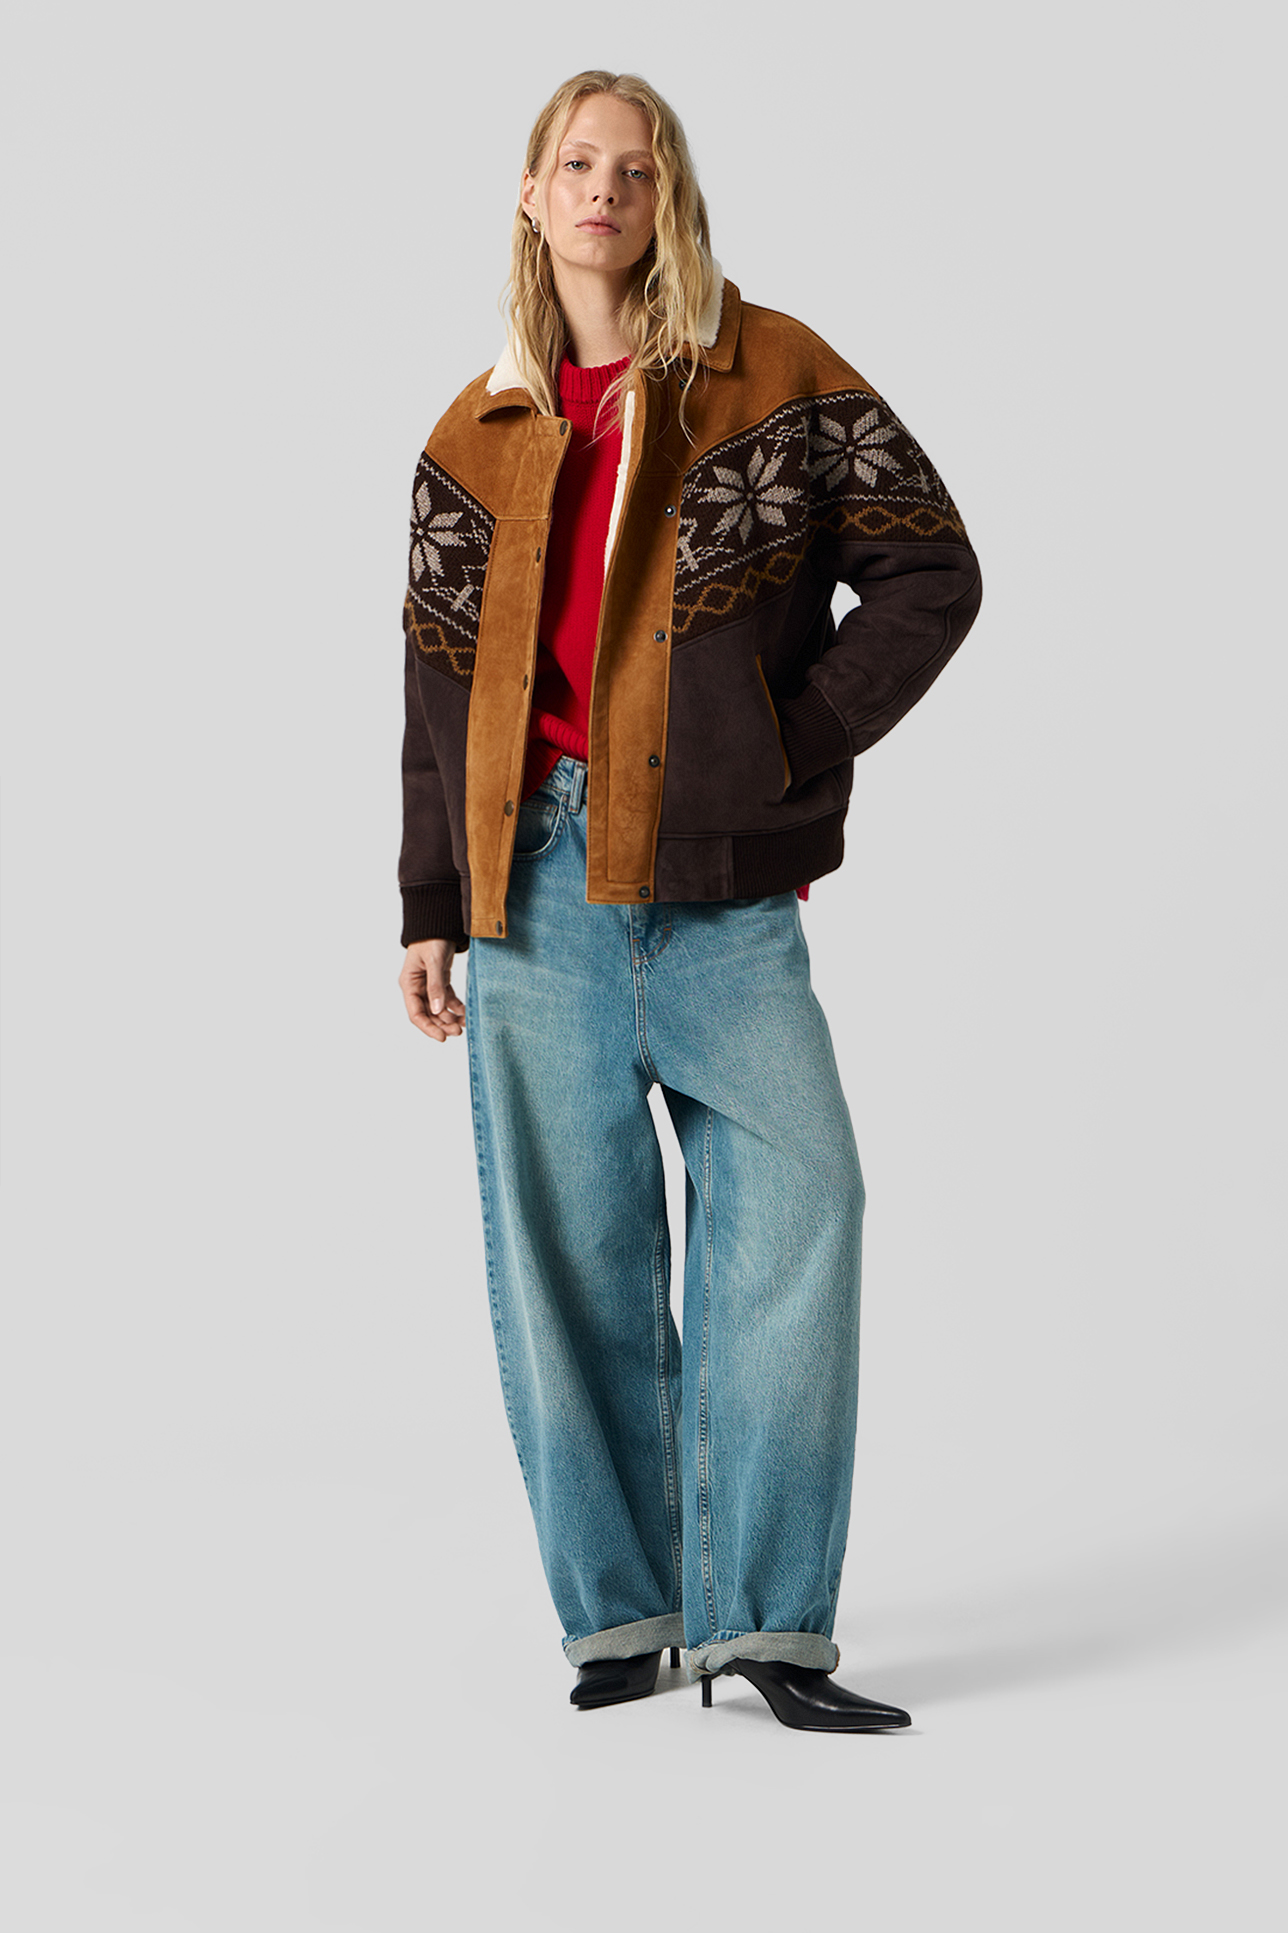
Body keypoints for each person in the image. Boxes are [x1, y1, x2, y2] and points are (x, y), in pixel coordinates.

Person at [397, 70, 981, 1733]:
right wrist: (428, 896)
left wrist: (783, 740)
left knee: (803, 1206)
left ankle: (769, 1626)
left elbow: (932, 570)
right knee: (568, 1252)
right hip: (533, 894)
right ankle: (626, 1615)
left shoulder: (772, 374)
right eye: (576, 163)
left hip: (725, 890)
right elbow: (433, 690)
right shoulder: (469, 437)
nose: (605, 189)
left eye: (635, 169)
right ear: (532, 194)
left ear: (670, 199)